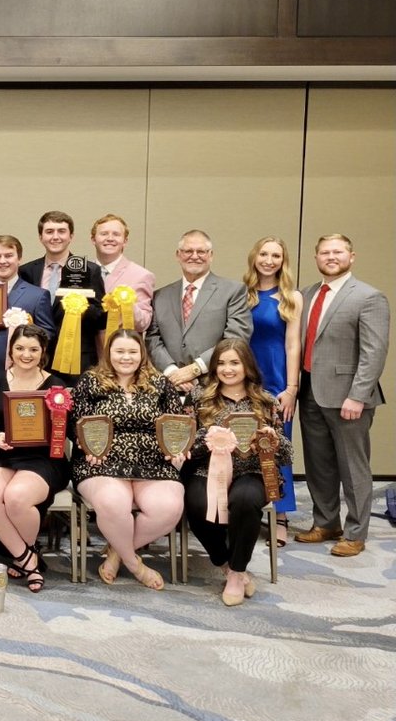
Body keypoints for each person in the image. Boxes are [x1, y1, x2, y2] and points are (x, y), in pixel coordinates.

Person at [294, 234, 389, 557]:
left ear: (352, 256)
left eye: (338, 252)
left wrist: (358, 395)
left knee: (353, 467)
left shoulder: (368, 297)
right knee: (318, 464)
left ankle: (355, 532)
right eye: (324, 252)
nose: (331, 257)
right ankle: (326, 523)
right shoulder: (307, 294)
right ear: (316, 258)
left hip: (349, 397)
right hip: (310, 391)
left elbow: (374, 352)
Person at [71, 329, 185, 590]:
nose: (126, 357)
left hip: (153, 463)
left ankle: (117, 552)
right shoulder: (90, 381)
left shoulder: (160, 383)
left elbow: (176, 423)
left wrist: (178, 446)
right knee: (113, 503)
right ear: (108, 353)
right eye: (119, 351)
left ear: (142, 353)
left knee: (168, 509)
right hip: (101, 462)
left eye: (132, 351)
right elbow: (74, 423)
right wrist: (85, 443)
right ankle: (135, 565)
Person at [183, 339, 292, 606]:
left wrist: (272, 440)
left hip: (252, 471)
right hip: (205, 470)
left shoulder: (266, 401)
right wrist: (208, 438)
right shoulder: (198, 398)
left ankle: (237, 573)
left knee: (245, 500)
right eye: (221, 363)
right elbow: (183, 445)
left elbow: (287, 454)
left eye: (234, 363)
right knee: (196, 503)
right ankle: (226, 564)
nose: (227, 369)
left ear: (247, 366)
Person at [0, 325, 70, 593]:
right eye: (19, 348)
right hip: (8, 454)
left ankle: (23, 557)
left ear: (43, 352)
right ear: (11, 350)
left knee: (16, 497)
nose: (26, 354)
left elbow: (66, 430)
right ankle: (28, 558)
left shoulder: (56, 385)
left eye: (33, 349)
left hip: (45, 459)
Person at [243, 236, 303, 545]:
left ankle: (280, 515)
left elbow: (293, 345)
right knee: (244, 445)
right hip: (243, 378)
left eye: (276, 255)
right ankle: (246, 510)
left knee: (278, 447)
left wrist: (292, 388)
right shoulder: (242, 294)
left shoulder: (291, 297)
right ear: (254, 257)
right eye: (264, 254)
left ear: (283, 261)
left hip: (278, 379)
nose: (269, 260)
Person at [146, 229, 252, 392]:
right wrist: (172, 372)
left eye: (201, 251)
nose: (194, 256)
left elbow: (236, 338)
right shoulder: (160, 296)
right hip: (169, 387)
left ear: (211, 255)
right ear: (178, 255)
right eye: (188, 251)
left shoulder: (233, 291)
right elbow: (152, 339)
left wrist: (195, 368)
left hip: (215, 387)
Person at [20, 211, 106, 383]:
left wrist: (80, 304)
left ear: (71, 236)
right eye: (49, 231)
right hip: (36, 359)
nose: (55, 237)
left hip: (77, 360)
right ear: (41, 237)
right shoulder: (27, 271)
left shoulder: (89, 270)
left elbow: (100, 318)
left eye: (61, 231)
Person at [0, 235, 55, 390]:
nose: (2, 261)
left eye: (8, 256)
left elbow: (48, 334)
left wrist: (29, 331)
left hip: (22, 375)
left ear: (19, 258)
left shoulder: (37, 295)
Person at [91, 213, 154, 333]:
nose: (110, 238)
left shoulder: (141, 275)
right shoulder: (82, 273)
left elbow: (144, 323)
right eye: (104, 234)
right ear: (93, 239)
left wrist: (127, 303)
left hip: (119, 343)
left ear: (125, 241)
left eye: (116, 234)